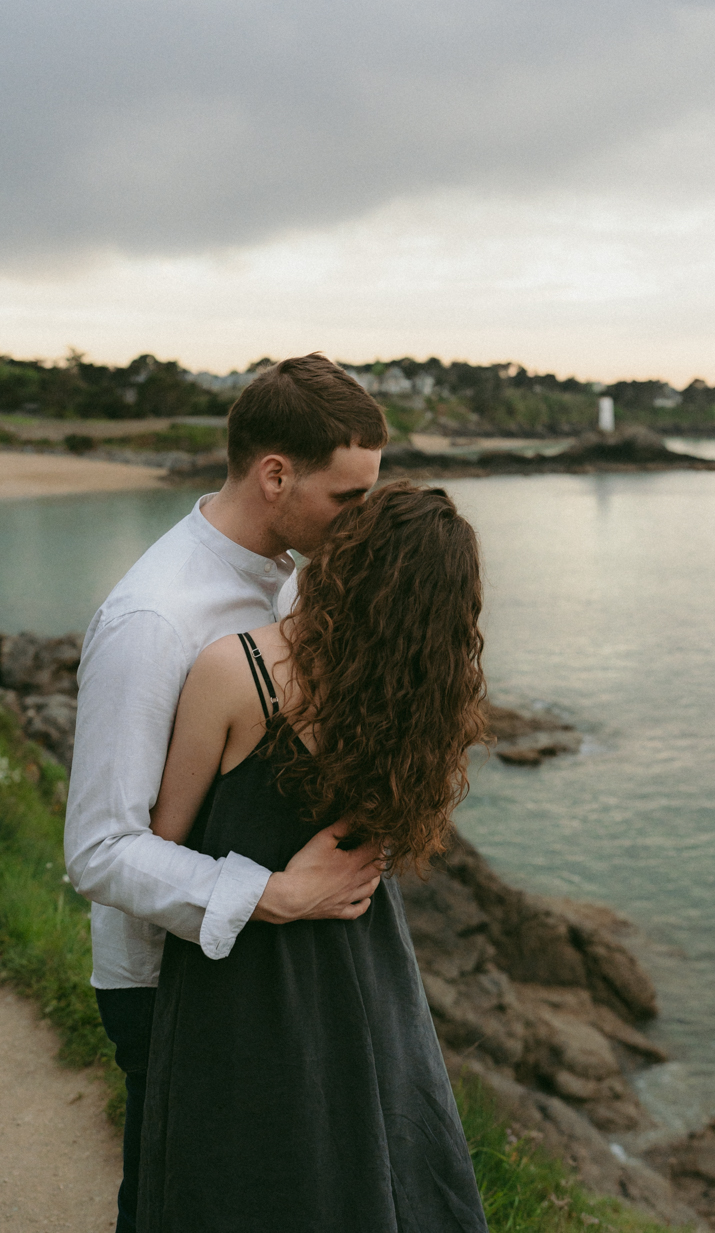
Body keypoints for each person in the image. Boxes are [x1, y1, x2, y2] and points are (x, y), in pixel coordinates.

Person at [65, 355, 389, 1233]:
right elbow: (98, 849)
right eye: (347, 499)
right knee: (176, 1205)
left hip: (259, 972)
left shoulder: (293, 575)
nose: (361, 522)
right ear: (275, 475)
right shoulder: (155, 620)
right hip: (167, 982)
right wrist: (281, 895)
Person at [137, 482, 490, 1232]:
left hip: (246, 975)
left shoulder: (237, 672)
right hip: (369, 958)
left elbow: (164, 845)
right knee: (378, 1162)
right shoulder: (416, 702)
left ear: (344, 563)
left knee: (249, 1179)